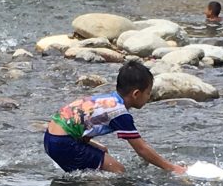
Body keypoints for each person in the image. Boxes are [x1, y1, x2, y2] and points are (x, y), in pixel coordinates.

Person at [44, 61, 186, 175]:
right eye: (148, 93)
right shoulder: (119, 113)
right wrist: (172, 168)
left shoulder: (107, 100)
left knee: (100, 156)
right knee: (118, 171)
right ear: (136, 94)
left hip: (51, 137)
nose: (149, 97)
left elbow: (82, 123)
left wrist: (90, 143)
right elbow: (142, 149)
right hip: (63, 143)